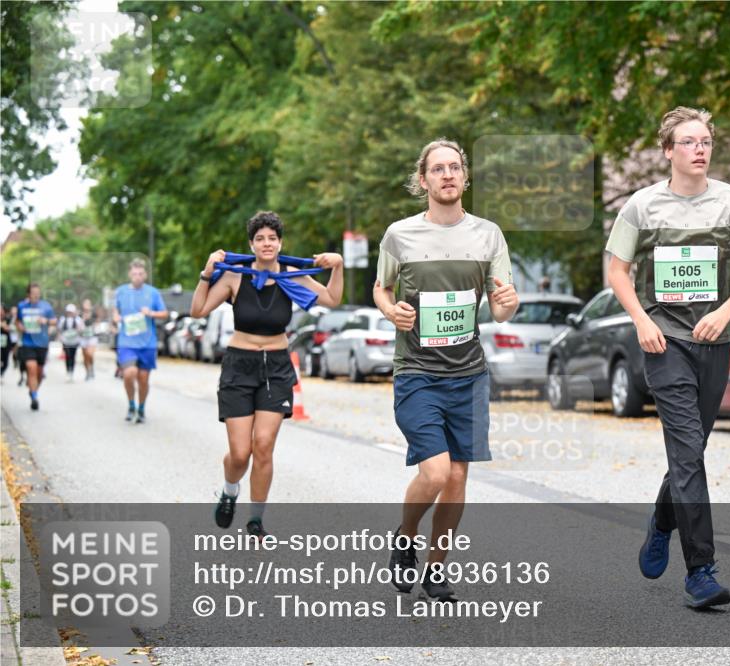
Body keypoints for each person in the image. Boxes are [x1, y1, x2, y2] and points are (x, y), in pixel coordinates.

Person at [606, 106, 730, 609]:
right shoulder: (642, 206)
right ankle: (701, 570)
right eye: (689, 142)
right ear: (667, 151)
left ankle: (661, 520)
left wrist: (725, 313)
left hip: (712, 344)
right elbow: (617, 271)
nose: (700, 149)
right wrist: (641, 319)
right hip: (664, 344)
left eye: (706, 141)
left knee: (690, 452)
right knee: (686, 452)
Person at [374, 138, 518, 602]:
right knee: (435, 473)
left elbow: (502, 307)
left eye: (455, 167)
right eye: (438, 169)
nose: (448, 175)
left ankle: (436, 569)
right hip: (416, 372)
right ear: (424, 180)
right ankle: (405, 537)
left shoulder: (488, 234)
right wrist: (390, 310)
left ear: (465, 177)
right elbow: (381, 288)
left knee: (457, 478)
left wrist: (508, 303)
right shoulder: (400, 235)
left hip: (468, 375)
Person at [191, 211, 343, 540]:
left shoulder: (291, 276)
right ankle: (230, 490)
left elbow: (332, 298)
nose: (266, 243)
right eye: (260, 238)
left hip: (275, 366)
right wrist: (207, 273)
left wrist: (339, 266)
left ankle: (255, 520)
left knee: (263, 446)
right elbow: (198, 310)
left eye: (272, 238)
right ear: (251, 244)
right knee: (240, 452)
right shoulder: (235, 277)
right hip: (239, 365)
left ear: (280, 242)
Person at [113, 259, 168, 423]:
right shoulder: (121, 291)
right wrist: (116, 317)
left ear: (145, 275)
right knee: (129, 374)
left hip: (147, 344)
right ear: (130, 274)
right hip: (127, 343)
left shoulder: (153, 293)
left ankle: (141, 408)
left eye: (140, 274)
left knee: (143, 379)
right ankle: (131, 405)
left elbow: (164, 313)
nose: (137, 276)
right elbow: (115, 310)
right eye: (134, 273)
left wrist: (150, 312)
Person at [15, 284, 57, 410]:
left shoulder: (46, 306)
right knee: (31, 368)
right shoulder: (21, 306)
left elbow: (54, 320)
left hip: (42, 343)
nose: (36, 295)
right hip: (28, 343)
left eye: (38, 292)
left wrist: (46, 321)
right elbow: (17, 321)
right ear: (28, 294)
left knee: (39, 373)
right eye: (33, 292)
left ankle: (33, 391)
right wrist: (20, 326)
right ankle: (34, 398)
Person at [56, 303, 85, 381]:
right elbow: (59, 329)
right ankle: (68, 371)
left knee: (73, 356)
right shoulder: (63, 319)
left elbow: (82, 329)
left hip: (75, 341)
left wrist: (79, 329)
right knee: (68, 356)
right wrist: (59, 337)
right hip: (65, 341)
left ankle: (71, 371)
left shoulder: (78, 319)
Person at [79, 299, 99, 381]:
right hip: (83, 337)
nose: (87, 305)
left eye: (88, 304)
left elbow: (97, 322)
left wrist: (95, 326)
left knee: (90, 353)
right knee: (84, 356)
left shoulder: (94, 314)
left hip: (92, 336)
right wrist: (83, 319)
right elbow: (78, 325)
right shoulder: (80, 315)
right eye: (85, 304)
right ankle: (87, 372)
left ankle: (91, 367)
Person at [1, 305, 15, 381]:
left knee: (5, 362)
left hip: (5, 342)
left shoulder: (8, 319)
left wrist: (4, 326)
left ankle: (1, 373)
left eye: (1, 309)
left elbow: (11, 329)